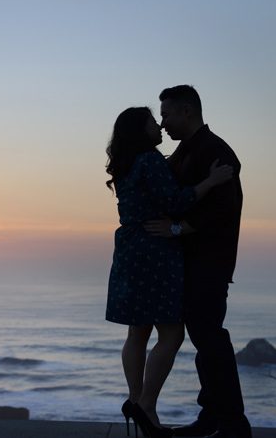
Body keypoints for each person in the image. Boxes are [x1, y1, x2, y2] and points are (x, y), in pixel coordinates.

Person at [104, 106, 233, 438]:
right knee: (172, 334)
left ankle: (136, 401)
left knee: (137, 333)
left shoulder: (125, 163)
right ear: (140, 130)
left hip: (129, 248)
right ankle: (146, 405)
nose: (159, 126)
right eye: (152, 122)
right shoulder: (149, 160)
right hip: (155, 249)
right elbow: (176, 202)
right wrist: (211, 181)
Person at [145, 85, 252, 438]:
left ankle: (234, 426)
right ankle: (212, 417)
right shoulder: (183, 152)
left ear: (186, 111)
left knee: (211, 339)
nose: (163, 123)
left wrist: (178, 227)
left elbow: (225, 209)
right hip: (190, 261)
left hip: (209, 261)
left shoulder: (215, 151)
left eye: (167, 114)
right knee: (205, 340)